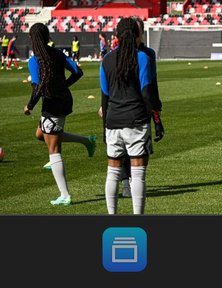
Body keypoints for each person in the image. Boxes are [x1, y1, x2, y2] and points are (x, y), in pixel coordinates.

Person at [23, 22, 97, 207]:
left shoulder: (35, 59)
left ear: (33, 39)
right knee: (41, 134)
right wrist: (64, 86)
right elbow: (78, 72)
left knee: (53, 149)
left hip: (52, 103)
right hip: (64, 100)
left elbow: (38, 87)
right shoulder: (58, 53)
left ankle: (64, 195)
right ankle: (87, 141)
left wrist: (29, 105)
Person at [100, 17, 159, 216]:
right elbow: (146, 92)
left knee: (112, 173)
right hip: (136, 121)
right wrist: (155, 116)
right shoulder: (142, 58)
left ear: (117, 36)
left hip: (112, 122)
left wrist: (104, 129)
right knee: (138, 174)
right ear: (136, 34)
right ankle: (137, 218)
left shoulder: (106, 60)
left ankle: (111, 216)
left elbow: (105, 98)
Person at [119, 17, 164, 201]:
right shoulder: (117, 53)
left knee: (140, 149)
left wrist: (157, 115)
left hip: (142, 105)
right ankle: (125, 182)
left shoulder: (148, 55)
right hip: (122, 105)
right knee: (122, 148)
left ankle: (133, 181)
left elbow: (152, 84)